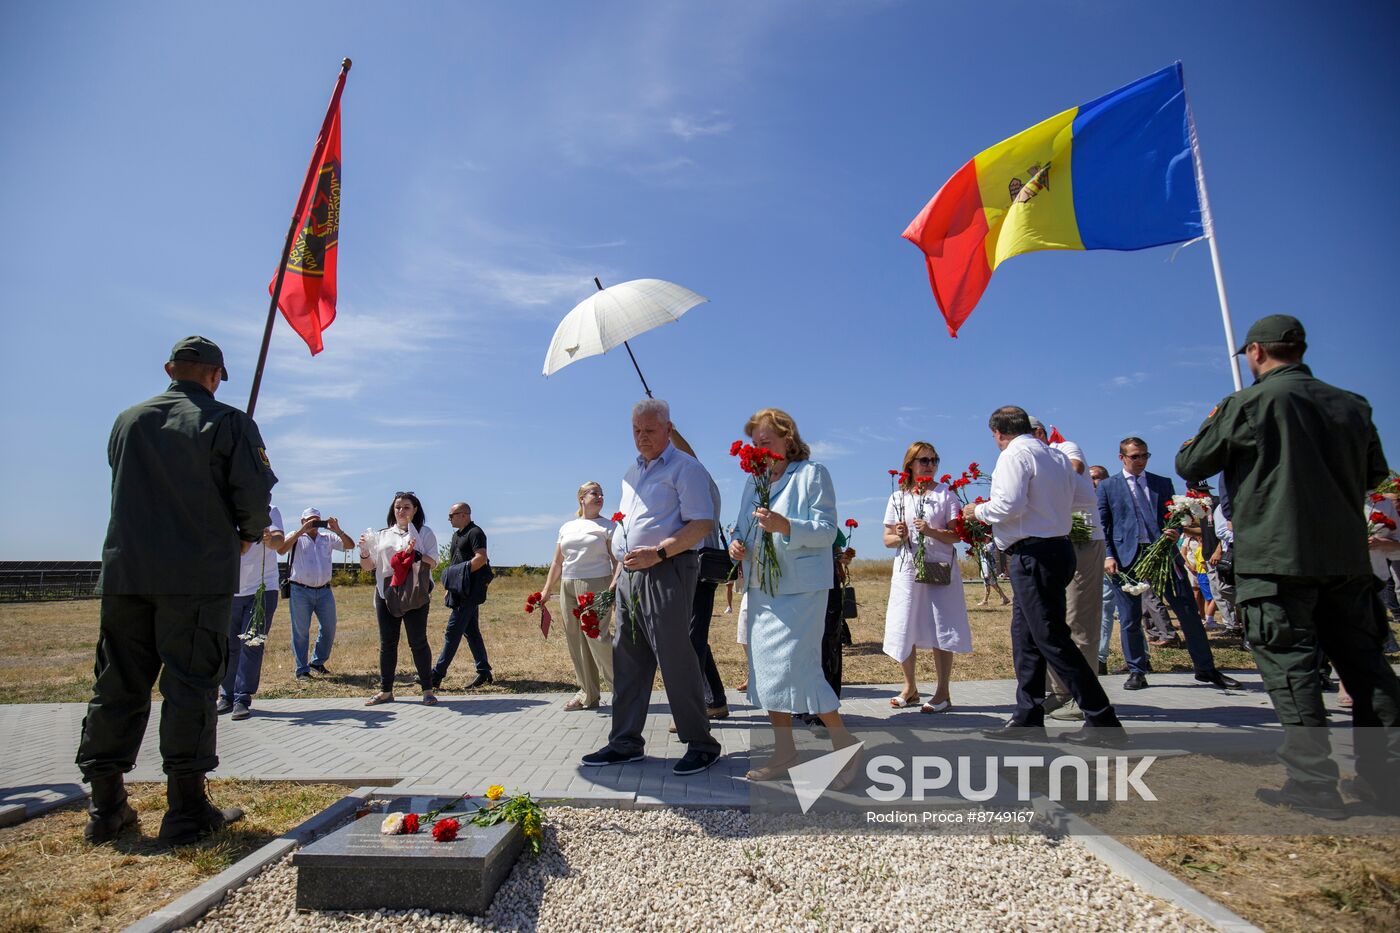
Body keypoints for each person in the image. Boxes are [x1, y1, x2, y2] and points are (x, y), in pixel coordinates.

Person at [1179, 314, 1400, 818]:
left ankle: (1314, 783)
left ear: (1255, 352)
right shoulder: (1352, 404)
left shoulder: (1248, 403)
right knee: (1367, 667)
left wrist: (1214, 422)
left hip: (1276, 557)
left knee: (1291, 667)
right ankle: (1386, 781)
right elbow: (1374, 474)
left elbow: (1192, 465)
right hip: (1345, 557)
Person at [76, 336, 274, 845]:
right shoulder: (229, 422)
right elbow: (253, 496)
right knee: (190, 684)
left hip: (128, 573)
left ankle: (105, 805)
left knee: (117, 682)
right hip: (195, 574)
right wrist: (247, 534)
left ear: (170, 370)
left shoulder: (128, 420)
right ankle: (186, 809)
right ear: (215, 375)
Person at [967, 406, 1124, 744]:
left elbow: (1007, 505)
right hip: (1058, 547)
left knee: (1051, 637)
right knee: (1026, 637)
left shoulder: (1014, 455)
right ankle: (1028, 716)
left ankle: (1102, 719)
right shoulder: (1056, 457)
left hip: (1032, 553)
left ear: (998, 433)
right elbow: (1081, 498)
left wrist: (976, 511)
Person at [580, 399, 721, 776]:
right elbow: (630, 527)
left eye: (650, 430)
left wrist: (659, 552)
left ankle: (701, 743)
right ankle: (625, 742)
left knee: (675, 659)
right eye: (636, 431)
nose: (642, 437)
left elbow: (702, 523)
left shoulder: (686, 468)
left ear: (668, 429)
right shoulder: (632, 472)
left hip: (668, 568)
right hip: (630, 573)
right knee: (627, 659)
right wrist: (618, 577)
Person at [729, 408, 859, 780]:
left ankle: (844, 744)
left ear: (788, 438)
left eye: (766, 441)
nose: (759, 448)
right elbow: (741, 528)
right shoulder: (753, 482)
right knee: (768, 672)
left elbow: (826, 529)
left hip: (801, 590)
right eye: (755, 443)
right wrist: (736, 545)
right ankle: (785, 752)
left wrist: (786, 525)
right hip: (762, 589)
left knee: (799, 667)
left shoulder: (812, 474)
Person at [1097, 436, 1240, 692]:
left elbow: (1173, 516)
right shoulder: (1108, 486)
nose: (1141, 460)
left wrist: (1175, 531)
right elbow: (1103, 524)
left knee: (1187, 611)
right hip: (1126, 557)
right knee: (1130, 617)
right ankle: (1137, 670)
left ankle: (1206, 668)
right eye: (1135, 456)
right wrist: (1108, 556)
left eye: (1145, 455)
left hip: (1164, 553)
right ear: (1122, 458)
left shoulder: (1161, 483)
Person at [882, 441, 972, 713]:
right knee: (905, 622)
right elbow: (887, 540)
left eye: (934, 460)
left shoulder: (946, 494)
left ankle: (943, 692)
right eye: (924, 460)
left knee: (940, 624)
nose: (930, 465)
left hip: (938, 566)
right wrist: (900, 536)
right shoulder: (898, 497)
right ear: (910, 464)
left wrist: (931, 530)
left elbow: (956, 535)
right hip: (908, 569)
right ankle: (910, 688)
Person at [538, 482, 616, 710]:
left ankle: (623, 690)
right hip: (568, 585)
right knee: (576, 639)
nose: (600, 497)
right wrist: (546, 589)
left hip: (596, 584)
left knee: (597, 637)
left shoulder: (608, 526)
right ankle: (587, 694)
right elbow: (557, 562)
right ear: (581, 498)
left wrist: (614, 587)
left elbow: (616, 560)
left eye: (602, 494)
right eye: (595, 493)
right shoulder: (567, 527)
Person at [1045, 443, 1108, 722]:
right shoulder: (1026, 456)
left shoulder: (1064, 446)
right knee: (1049, 620)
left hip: (1082, 537)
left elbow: (1075, 467)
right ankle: (1058, 691)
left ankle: (1082, 695)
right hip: (1050, 540)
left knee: (1079, 619)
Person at [359, 492, 439, 706]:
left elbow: (434, 562)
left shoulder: (424, 532)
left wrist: (416, 555)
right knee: (387, 642)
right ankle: (386, 691)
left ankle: (427, 690)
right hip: (387, 592)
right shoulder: (382, 534)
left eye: (406, 507)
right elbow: (369, 567)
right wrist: (364, 551)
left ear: (415, 510)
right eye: (398, 507)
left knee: (418, 641)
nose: (401, 511)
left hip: (415, 591)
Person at [219, 505, 285, 720]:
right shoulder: (224, 507)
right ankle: (226, 695)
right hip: (230, 588)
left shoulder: (269, 509)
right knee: (229, 645)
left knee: (251, 643)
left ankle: (242, 698)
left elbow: (279, 540)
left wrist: (270, 540)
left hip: (262, 589)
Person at [279, 507, 353, 682]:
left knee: (329, 627)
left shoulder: (327, 538)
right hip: (300, 590)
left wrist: (337, 530)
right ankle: (302, 669)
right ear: (302, 521)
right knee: (300, 631)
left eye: (317, 520)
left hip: (324, 590)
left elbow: (350, 546)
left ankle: (317, 662)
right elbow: (281, 550)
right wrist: (301, 531)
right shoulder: (296, 537)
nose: (314, 524)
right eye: (309, 520)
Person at [429, 502, 493, 690]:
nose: (449, 519)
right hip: (459, 590)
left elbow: (481, 558)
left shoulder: (475, 532)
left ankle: (436, 675)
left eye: (451, 515)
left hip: (469, 592)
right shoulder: (456, 535)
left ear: (464, 514)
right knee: (471, 631)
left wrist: (460, 575)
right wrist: (451, 585)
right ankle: (484, 671)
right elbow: (455, 562)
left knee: (452, 631)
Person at [976, 540, 1010, 606]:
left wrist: (981, 548)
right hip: (986, 567)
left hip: (989, 568)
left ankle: (985, 601)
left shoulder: (991, 545)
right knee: (991, 584)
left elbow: (987, 553)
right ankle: (1004, 598)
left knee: (989, 584)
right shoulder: (985, 545)